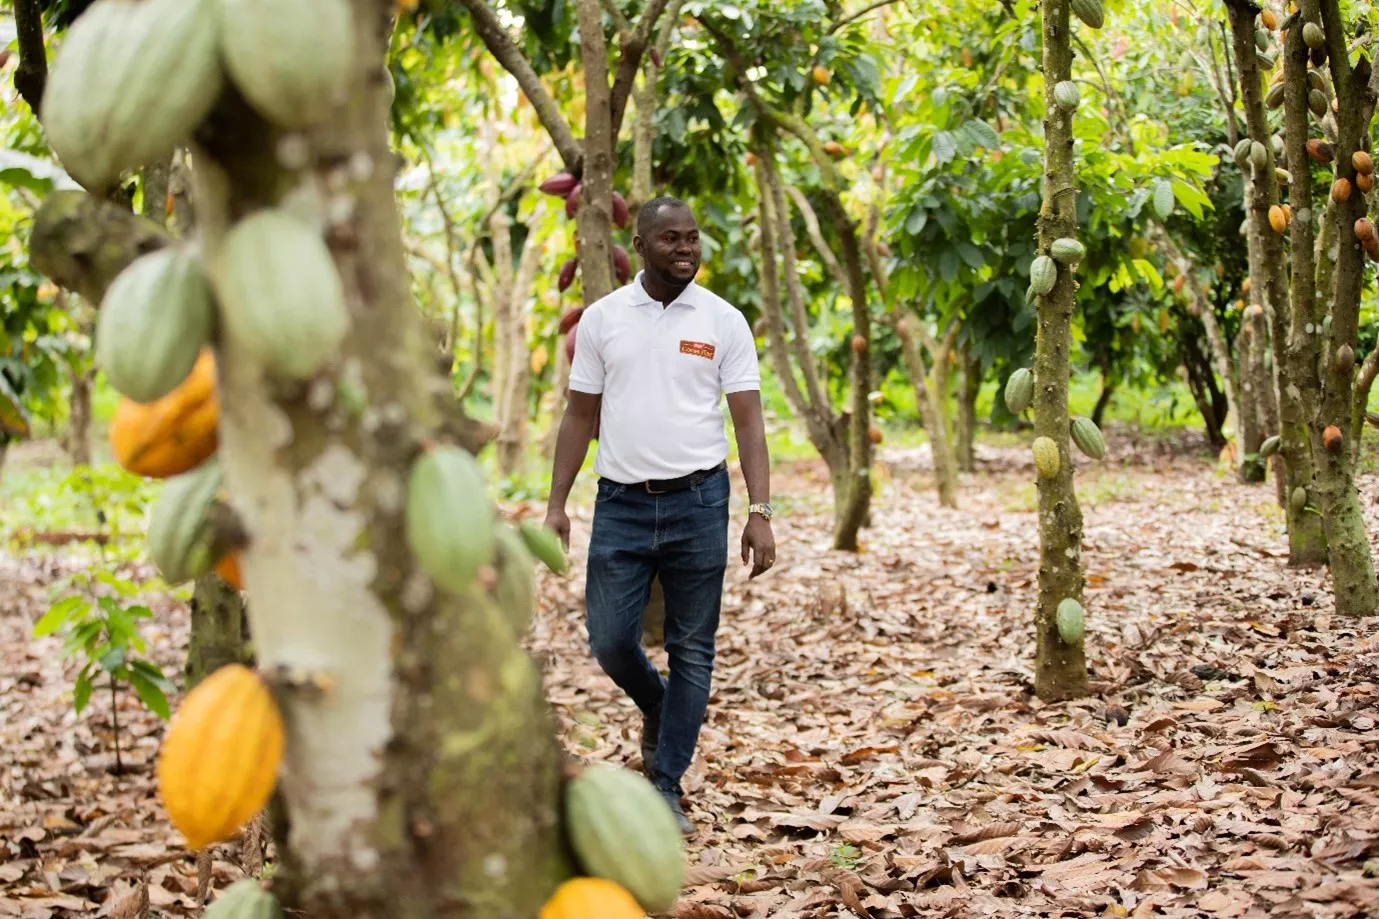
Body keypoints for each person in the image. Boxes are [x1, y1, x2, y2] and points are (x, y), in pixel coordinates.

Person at [544, 196, 776, 835]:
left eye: (693, 239)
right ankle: (660, 704)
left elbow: (749, 421)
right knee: (612, 642)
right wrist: (556, 504)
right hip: (620, 503)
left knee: (692, 648)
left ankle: (665, 783)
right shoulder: (603, 320)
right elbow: (579, 415)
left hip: (700, 502)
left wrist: (759, 509)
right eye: (671, 239)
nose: (685, 249)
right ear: (639, 246)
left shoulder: (724, 320)